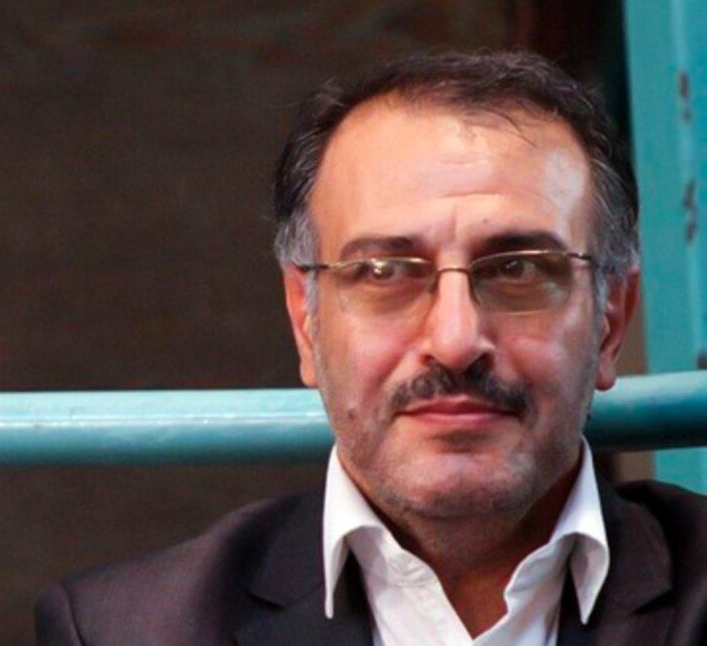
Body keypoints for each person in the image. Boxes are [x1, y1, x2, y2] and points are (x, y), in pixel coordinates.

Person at [35, 51, 707, 645]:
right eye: (384, 272)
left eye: (518, 270)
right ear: (306, 320)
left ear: (611, 318)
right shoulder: (129, 630)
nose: (454, 341)